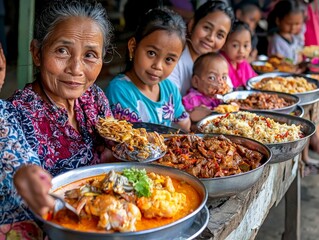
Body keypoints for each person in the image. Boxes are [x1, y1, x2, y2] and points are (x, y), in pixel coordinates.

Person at [2, 1, 114, 237]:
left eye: (90, 55)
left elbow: (114, 150)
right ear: (36, 53)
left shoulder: (95, 98)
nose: (76, 68)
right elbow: (18, 172)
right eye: (62, 51)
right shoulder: (17, 114)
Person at [105, 7, 191, 132]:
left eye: (169, 59)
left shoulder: (169, 89)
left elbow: (185, 125)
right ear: (133, 47)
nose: (158, 66)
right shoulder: (120, 90)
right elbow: (134, 141)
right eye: (151, 53)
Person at [168, 0, 235, 96]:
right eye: (206, 28)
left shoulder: (217, 63)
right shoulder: (175, 60)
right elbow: (169, 105)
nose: (211, 38)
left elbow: (229, 94)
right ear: (192, 25)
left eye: (220, 35)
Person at [182, 52, 230, 122]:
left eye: (224, 77)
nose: (220, 82)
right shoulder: (191, 99)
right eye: (212, 78)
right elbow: (188, 119)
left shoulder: (221, 98)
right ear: (196, 82)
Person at [221, 21, 257, 89]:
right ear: (223, 45)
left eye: (245, 46)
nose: (241, 51)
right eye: (235, 45)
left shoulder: (244, 63)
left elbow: (255, 81)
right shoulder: (221, 64)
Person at [267, 0, 305, 65]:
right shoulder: (276, 41)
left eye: (297, 24)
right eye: (289, 24)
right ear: (278, 21)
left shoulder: (295, 37)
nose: (293, 27)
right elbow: (276, 62)